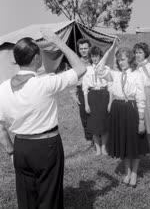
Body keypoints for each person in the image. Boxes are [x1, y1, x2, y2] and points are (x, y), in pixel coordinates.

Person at [0, 32, 86, 209]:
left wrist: (11, 152)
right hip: (46, 146)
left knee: (26, 200)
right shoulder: (45, 83)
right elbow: (80, 68)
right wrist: (59, 42)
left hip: (21, 146)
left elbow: (0, 129)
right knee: (50, 198)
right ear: (37, 58)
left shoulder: (2, 88)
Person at [97, 43, 150, 187]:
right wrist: (110, 49)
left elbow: (141, 98)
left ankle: (134, 173)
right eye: (119, 59)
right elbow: (99, 69)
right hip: (118, 110)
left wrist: (141, 120)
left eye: (124, 59)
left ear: (130, 59)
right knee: (124, 143)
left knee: (134, 142)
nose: (121, 62)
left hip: (131, 109)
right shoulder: (114, 74)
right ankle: (127, 171)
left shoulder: (137, 75)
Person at [82, 46, 111, 156]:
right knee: (94, 123)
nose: (95, 58)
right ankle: (97, 147)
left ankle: (104, 147)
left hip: (104, 95)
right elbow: (85, 88)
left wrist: (110, 102)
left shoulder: (106, 68)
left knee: (104, 123)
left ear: (100, 56)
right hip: (92, 96)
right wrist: (86, 104)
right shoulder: (87, 69)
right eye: (93, 56)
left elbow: (110, 85)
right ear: (90, 57)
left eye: (97, 56)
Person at [133, 42, 150, 148]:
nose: (137, 55)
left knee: (148, 119)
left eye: (140, 52)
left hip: (147, 93)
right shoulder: (133, 67)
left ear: (145, 53)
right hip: (136, 94)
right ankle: (138, 144)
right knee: (138, 118)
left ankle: (148, 145)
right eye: (136, 52)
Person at [70, 38, 93, 144]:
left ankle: (98, 136)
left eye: (85, 48)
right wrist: (74, 95)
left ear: (89, 48)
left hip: (93, 90)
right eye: (81, 48)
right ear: (78, 50)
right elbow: (73, 80)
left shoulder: (94, 60)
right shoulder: (76, 63)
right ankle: (89, 137)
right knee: (84, 114)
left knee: (96, 113)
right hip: (81, 90)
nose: (83, 50)